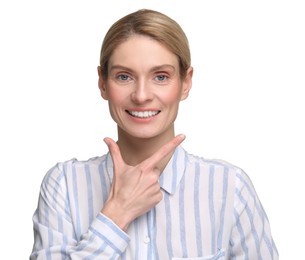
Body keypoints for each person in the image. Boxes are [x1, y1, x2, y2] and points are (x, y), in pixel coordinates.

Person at [30, 9, 278, 259]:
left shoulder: (230, 188)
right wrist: (117, 214)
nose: (141, 95)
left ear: (186, 82)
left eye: (160, 76)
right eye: (124, 76)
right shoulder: (64, 185)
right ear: (103, 83)